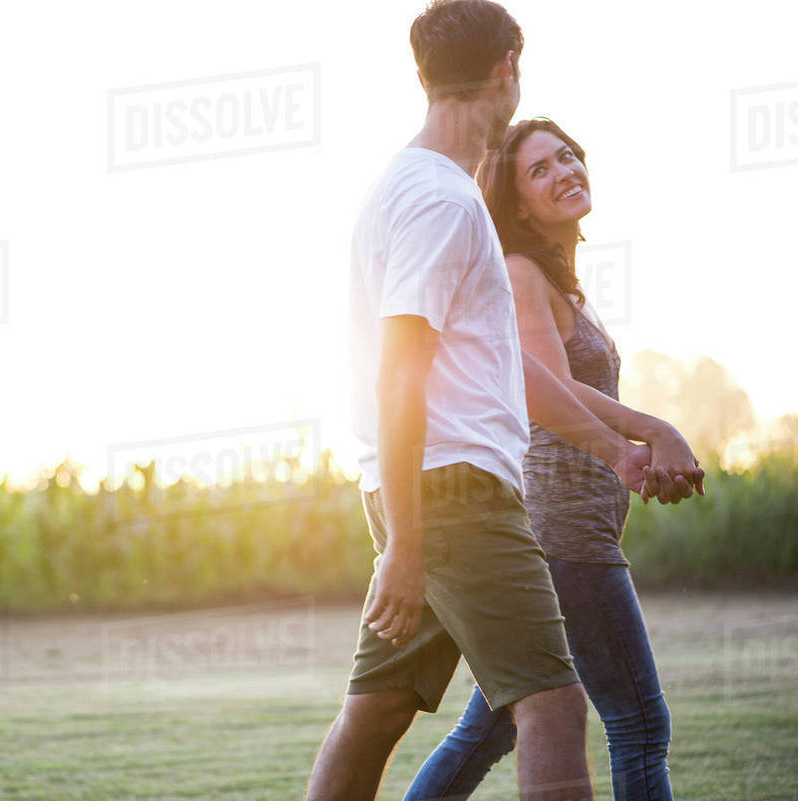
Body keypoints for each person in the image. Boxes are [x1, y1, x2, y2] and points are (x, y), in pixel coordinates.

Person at [305, 2, 699, 800]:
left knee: (377, 713)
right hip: (453, 495)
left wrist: (614, 447)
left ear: (423, 76)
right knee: (554, 707)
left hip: (425, 493)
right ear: (507, 69)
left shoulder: (412, 188)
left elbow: (503, 372)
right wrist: (408, 547)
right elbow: (398, 372)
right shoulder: (441, 202)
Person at [401, 118, 695, 801]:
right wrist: (651, 431)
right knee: (639, 721)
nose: (564, 170)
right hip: (565, 531)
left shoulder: (556, 283)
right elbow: (547, 387)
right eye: (540, 169)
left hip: (562, 530)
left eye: (567, 155)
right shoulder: (521, 273)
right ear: (517, 203)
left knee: (494, 727)